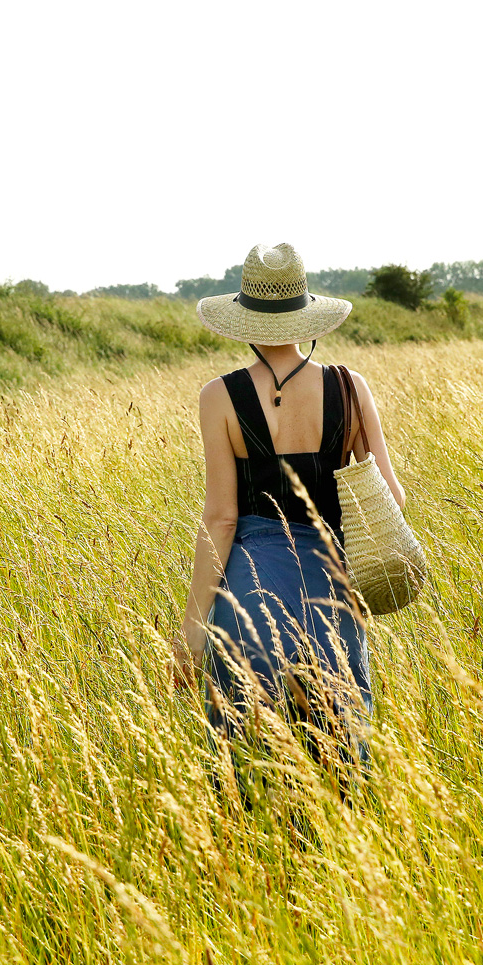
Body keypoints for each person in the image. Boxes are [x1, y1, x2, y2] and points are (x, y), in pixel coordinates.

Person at [171, 242, 406, 799]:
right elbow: (391, 498)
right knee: (339, 775)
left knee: (246, 776)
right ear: (306, 316)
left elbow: (223, 517)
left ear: (245, 320)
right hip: (332, 594)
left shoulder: (218, 397)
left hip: (251, 597)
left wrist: (192, 631)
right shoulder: (350, 388)